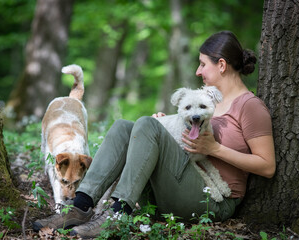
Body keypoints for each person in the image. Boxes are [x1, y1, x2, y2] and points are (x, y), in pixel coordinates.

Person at [33, 31, 275, 238]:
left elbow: (267, 166)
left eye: (203, 64)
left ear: (221, 65)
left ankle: (119, 213)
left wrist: (214, 149)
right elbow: (183, 144)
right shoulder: (205, 100)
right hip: (178, 184)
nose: (198, 71)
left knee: (147, 125)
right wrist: (160, 130)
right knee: (123, 127)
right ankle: (81, 205)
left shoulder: (249, 107)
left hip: (213, 201)